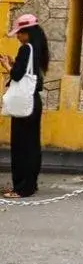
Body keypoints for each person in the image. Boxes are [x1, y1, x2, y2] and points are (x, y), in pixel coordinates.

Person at [1, 14, 50, 199]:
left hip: (24, 103)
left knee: (20, 146)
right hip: (33, 101)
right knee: (31, 145)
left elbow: (17, 76)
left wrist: (7, 66)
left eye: (19, 33)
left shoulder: (25, 49)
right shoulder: (37, 49)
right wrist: (15, 64)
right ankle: (30, 184)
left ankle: (21, 188)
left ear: (27, 33)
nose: (17, 36)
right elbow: (31, 74)